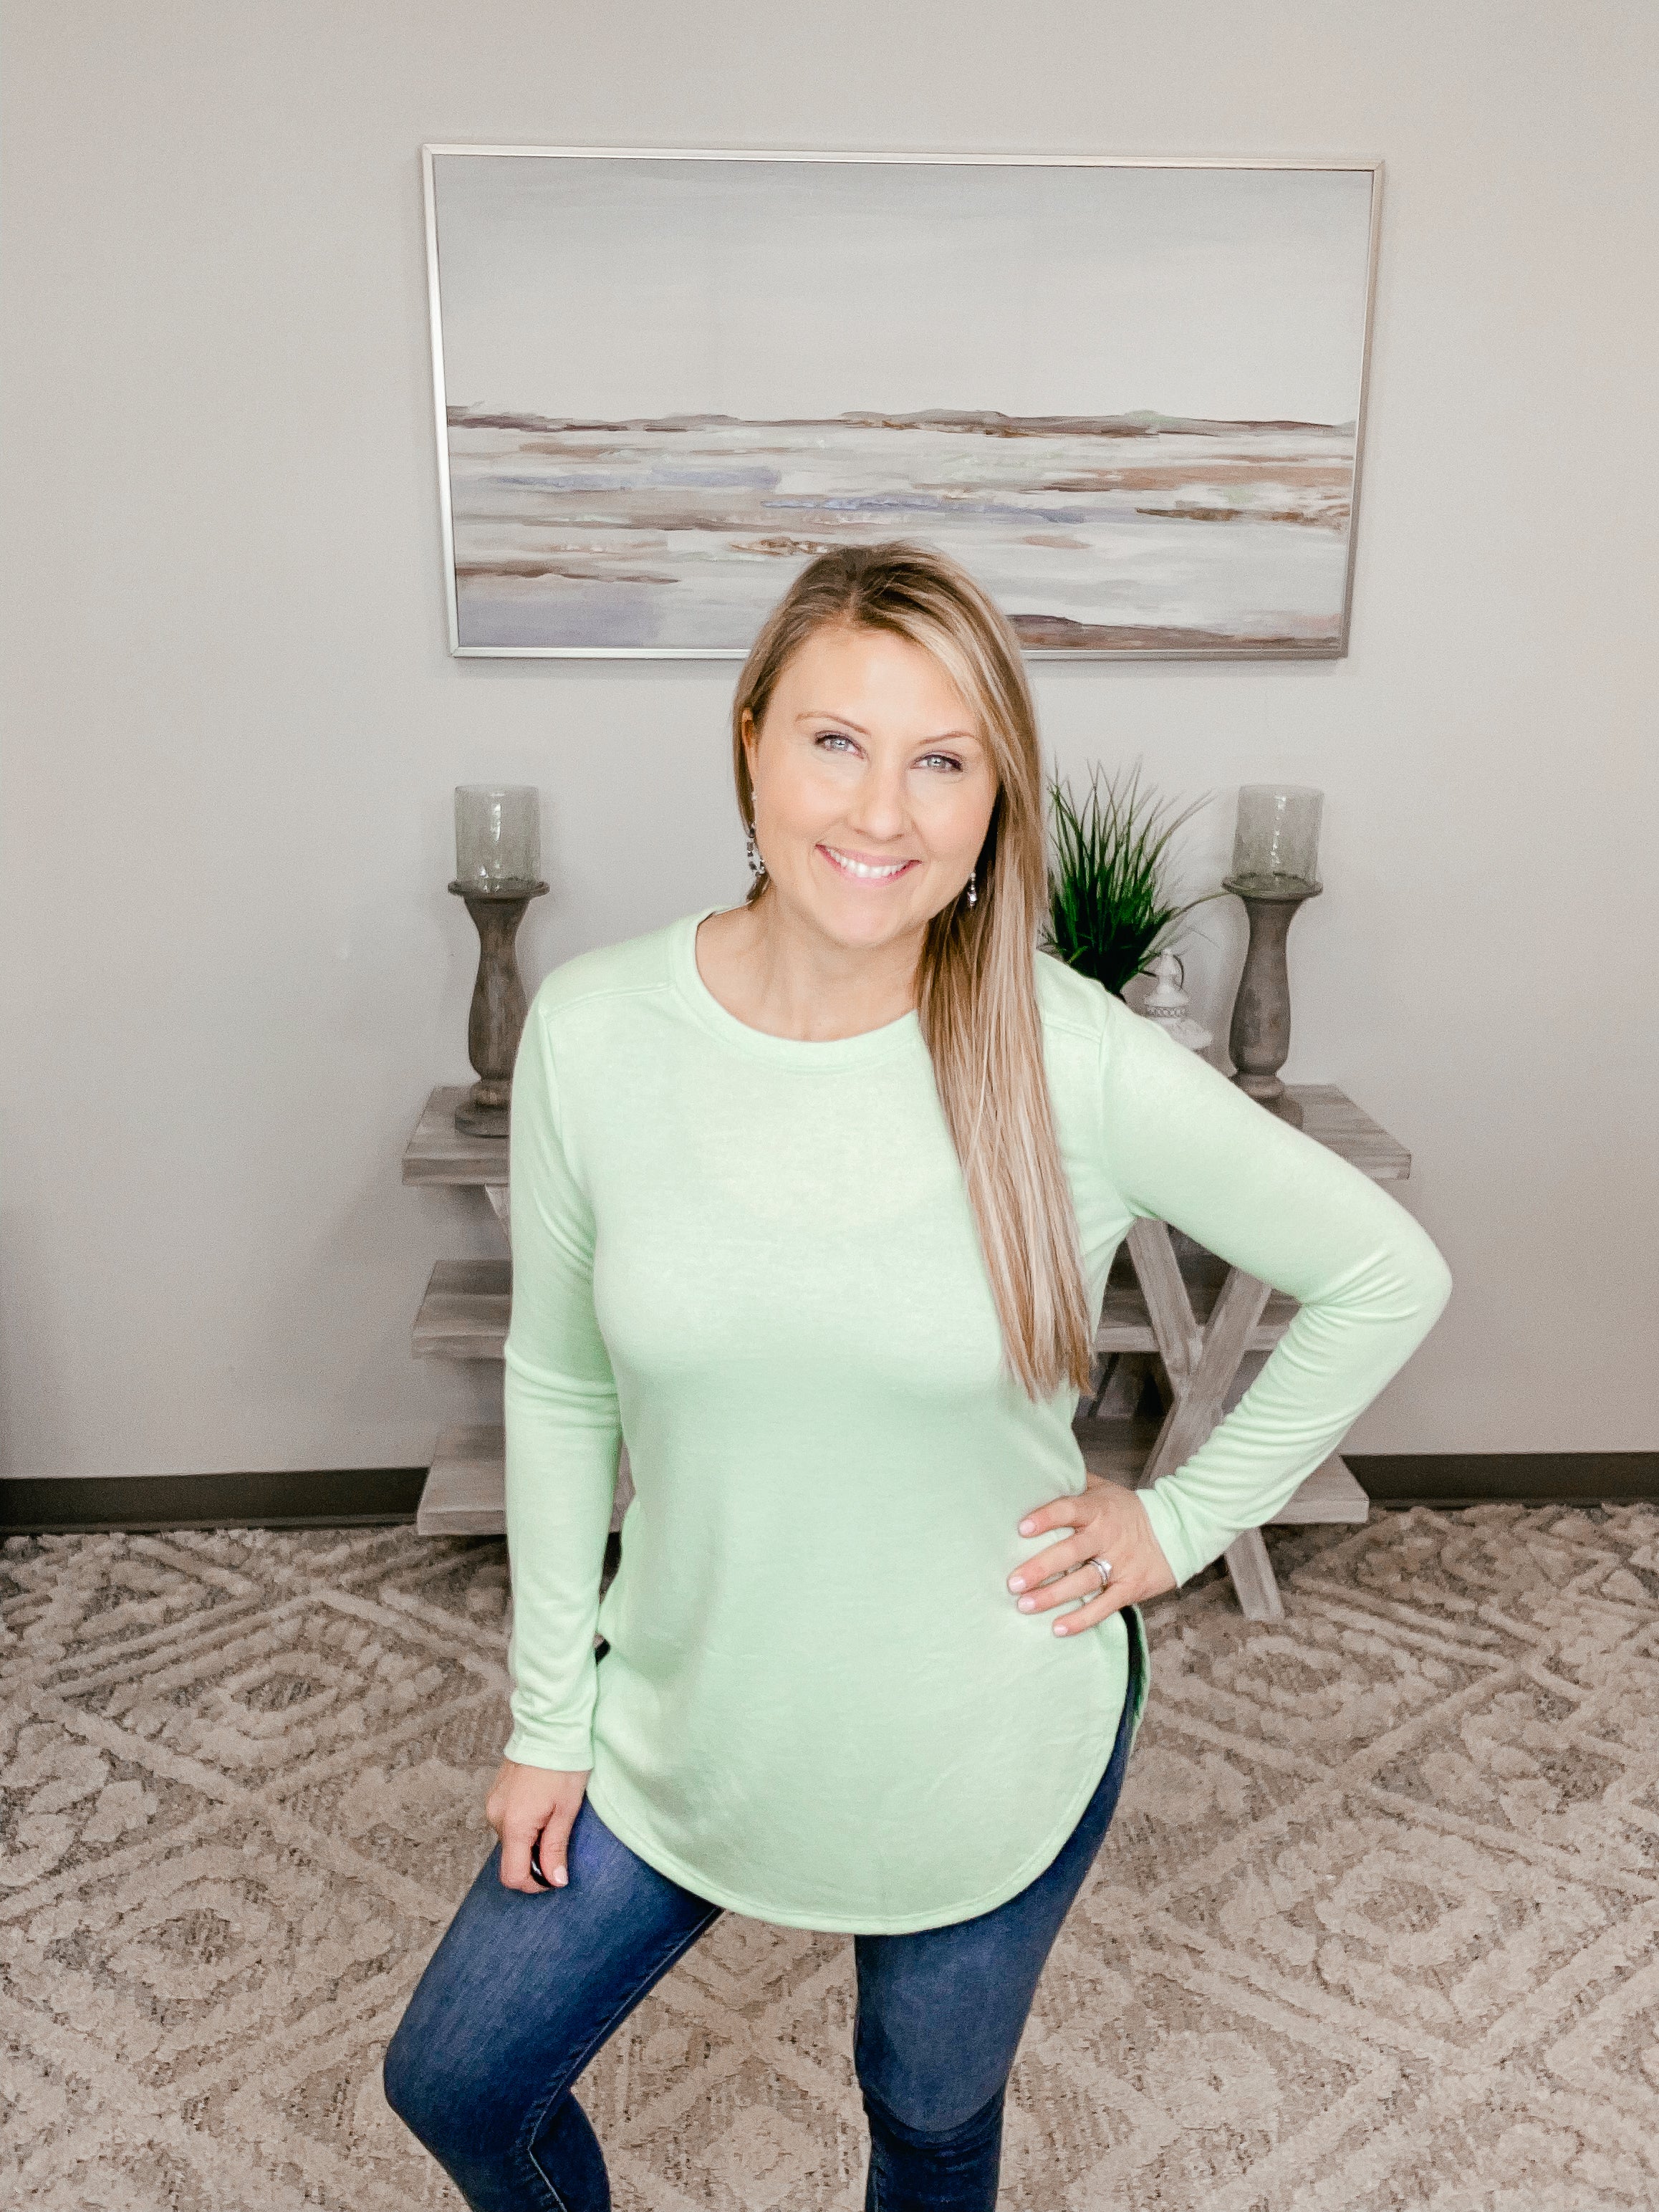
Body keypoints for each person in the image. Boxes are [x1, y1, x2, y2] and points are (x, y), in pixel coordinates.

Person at [383, 539, 1453, 2211]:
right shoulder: (595, 1034)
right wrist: (547, 1716)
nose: (883, 811)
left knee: (929, 2117)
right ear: (750, 740)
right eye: (837, 740)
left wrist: (1183, 1521)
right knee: (459, 2076)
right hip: (686, 1698)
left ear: (993, 795)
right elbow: (563, 1387)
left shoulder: (1064, 1050)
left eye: (943, 759)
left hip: (982, 1728)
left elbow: (1388, 1269)